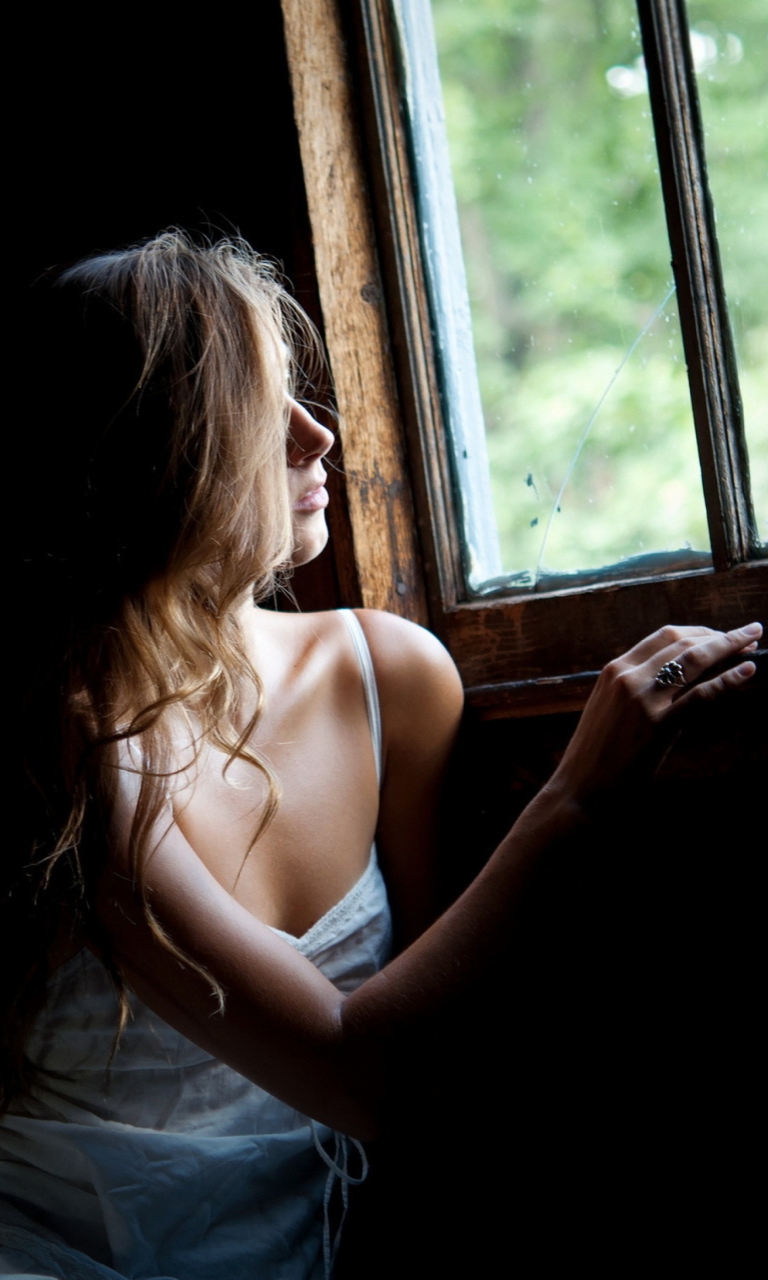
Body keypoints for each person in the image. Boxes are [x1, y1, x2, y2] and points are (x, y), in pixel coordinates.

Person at [1, 232, 760, 1280]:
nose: (318, 434)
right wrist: (578, 789)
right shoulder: (77, 745)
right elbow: (362, 1076)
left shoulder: (383, 672)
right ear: (151, 453)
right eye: (262, 411)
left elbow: (450, 1064)